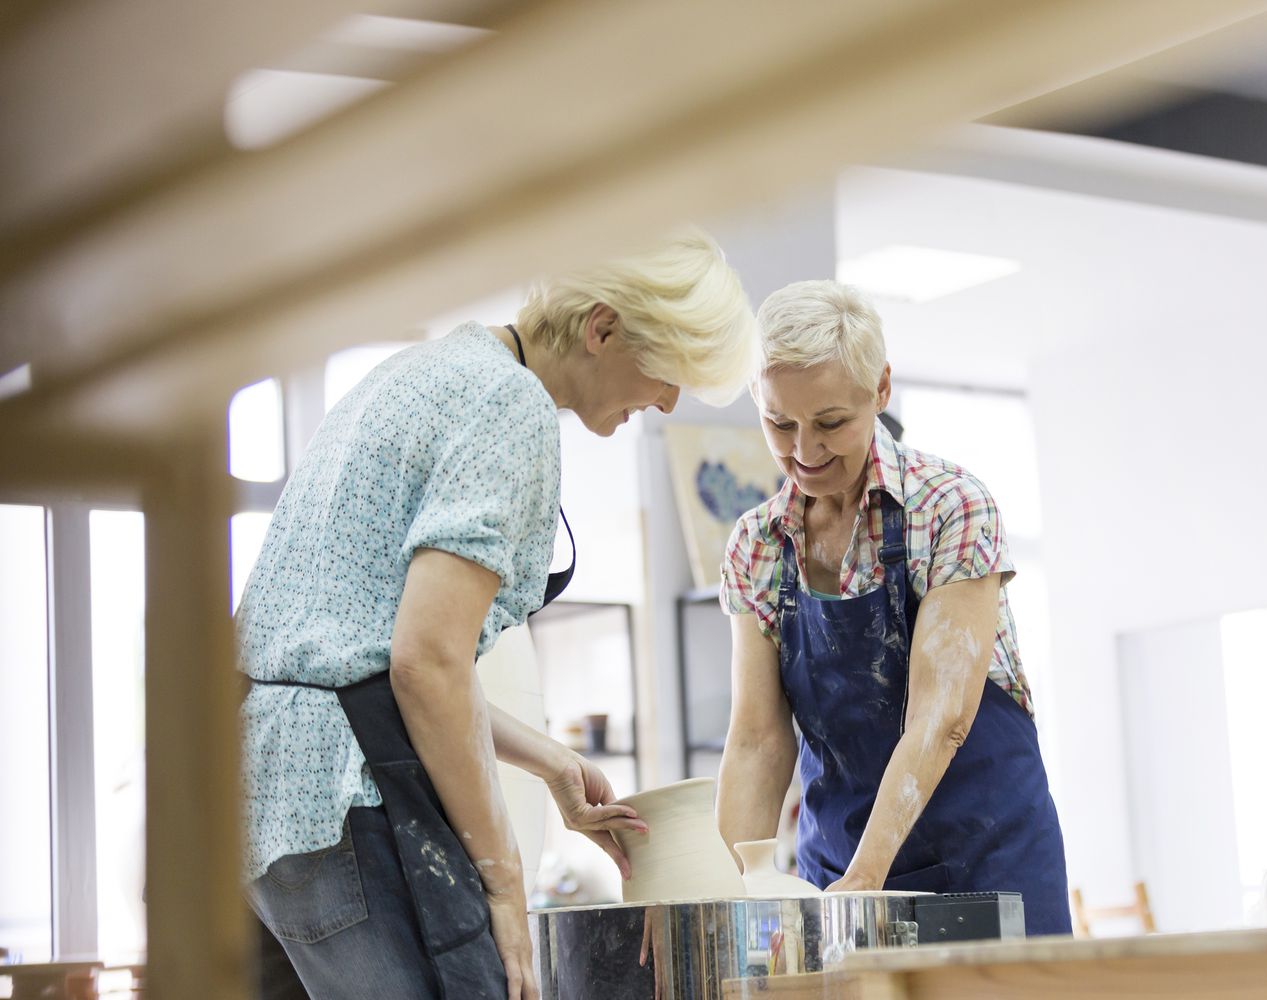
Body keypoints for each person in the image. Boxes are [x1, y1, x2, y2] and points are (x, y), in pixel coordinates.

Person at [237, 230, 758, 1000]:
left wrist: (549, 761)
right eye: (669, 372)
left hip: (259, 801)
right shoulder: (511, 408)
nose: (669, 401)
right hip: (341, 797)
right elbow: (427, 663)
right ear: (603, 327)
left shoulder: (424, 370)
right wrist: (505, 881)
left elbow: (365, 654)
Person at [715, 280, 1070, 935]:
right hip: (839, 869)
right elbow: (758, 740)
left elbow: (941, 718)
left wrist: (868, 880)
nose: (804, 452)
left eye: (830, 423)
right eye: (778, 423)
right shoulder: (757, 546)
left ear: (880, 390)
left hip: (986, 863)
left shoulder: (951, 508)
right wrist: (722, 898)